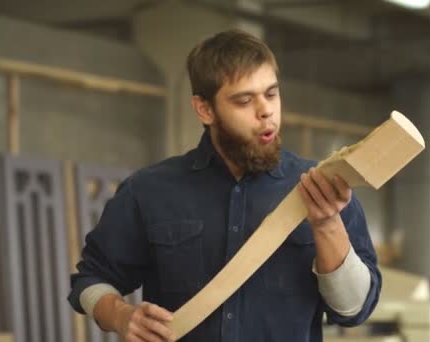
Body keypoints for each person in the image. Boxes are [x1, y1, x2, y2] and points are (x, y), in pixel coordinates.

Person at [68, 29, 381, 342]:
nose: (266, 111)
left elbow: (354, 310)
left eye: (272, 94)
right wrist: (121, 315)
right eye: (244, 101)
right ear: (205, 109)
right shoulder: (148, 192)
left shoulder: (324, 188)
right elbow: (89, 282)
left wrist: (327, 225)